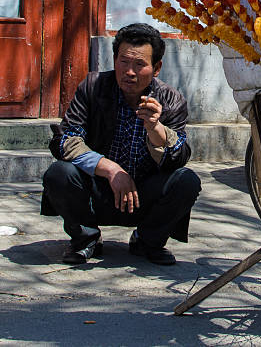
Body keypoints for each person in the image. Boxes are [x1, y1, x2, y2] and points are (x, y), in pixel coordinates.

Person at [41, 23, 201, 266]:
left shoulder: (172, 100)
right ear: (114, 60)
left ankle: (147, 241)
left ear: (156, 68)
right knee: (59, 173)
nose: (130, 72)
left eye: (140, 64)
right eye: (124, 62)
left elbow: (179, 157)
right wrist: (111, 170)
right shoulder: (93, 87)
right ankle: (86, 238)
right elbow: (64, 140)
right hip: (98, 191)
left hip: (144, 196)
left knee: (187, 181)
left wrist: (156, 128)